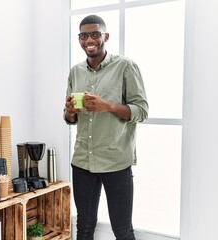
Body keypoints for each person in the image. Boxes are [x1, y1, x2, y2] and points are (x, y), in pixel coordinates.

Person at [64, 15, 148, 240]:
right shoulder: (75, 72)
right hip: (82, 161)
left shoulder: (126, 67)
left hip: (115, 160)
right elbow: (69, 118)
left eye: (95, 34)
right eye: (83, 35)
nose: (89, 40)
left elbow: (142, 110)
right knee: (84, 227)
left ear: (105, 37)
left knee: (122, 230)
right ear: (79, 39)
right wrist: (70, 112)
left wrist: (107, 106)